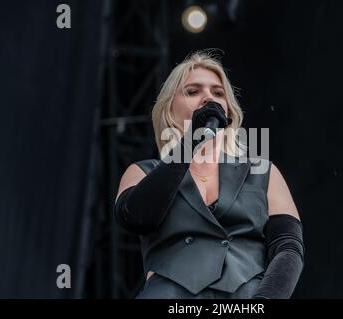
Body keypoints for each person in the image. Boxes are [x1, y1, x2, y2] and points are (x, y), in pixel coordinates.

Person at [114, 50, 304, 299]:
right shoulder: (142, 172)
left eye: (218, 93)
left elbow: (287, 248)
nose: (208, 99)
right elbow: (137, 217)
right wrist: (193, 139)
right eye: (193, 92)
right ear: (169, 111)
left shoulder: (263, 172)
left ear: (228, 112)